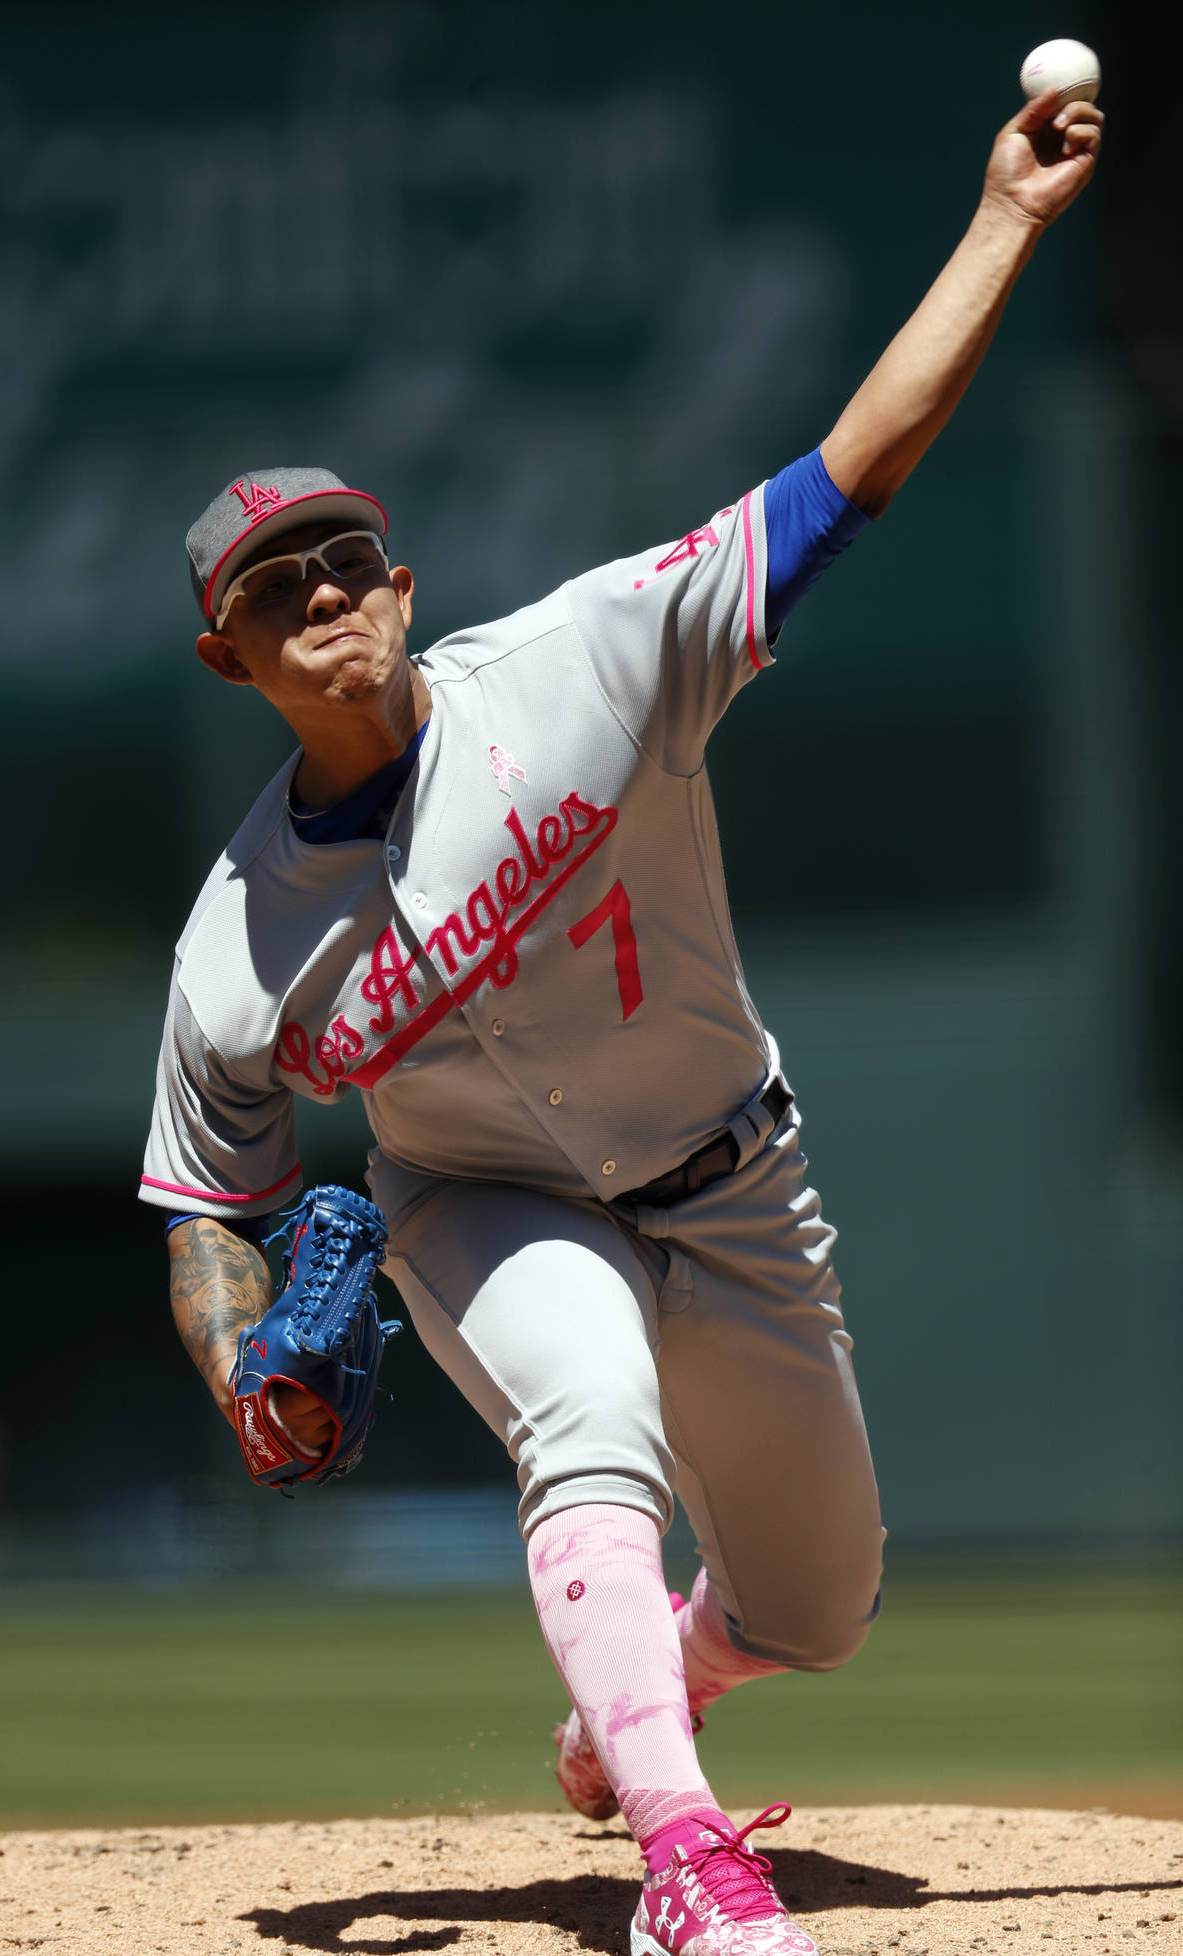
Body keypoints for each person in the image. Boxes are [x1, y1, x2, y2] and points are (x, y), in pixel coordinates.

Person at [140, 89, 1102, 1956]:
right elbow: (208, 1209)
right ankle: (686, 1862)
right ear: (229, 656)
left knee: (817, 1605)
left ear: (403, 579)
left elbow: (852, 473)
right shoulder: (229, 951)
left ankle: (642, 1695)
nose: (323, 587)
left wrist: (1006, 218)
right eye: (275, 584)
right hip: (485, 1204)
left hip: (733, 1170)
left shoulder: (590, 658)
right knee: (585, 1409)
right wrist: (247, 1381)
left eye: (346, 554)